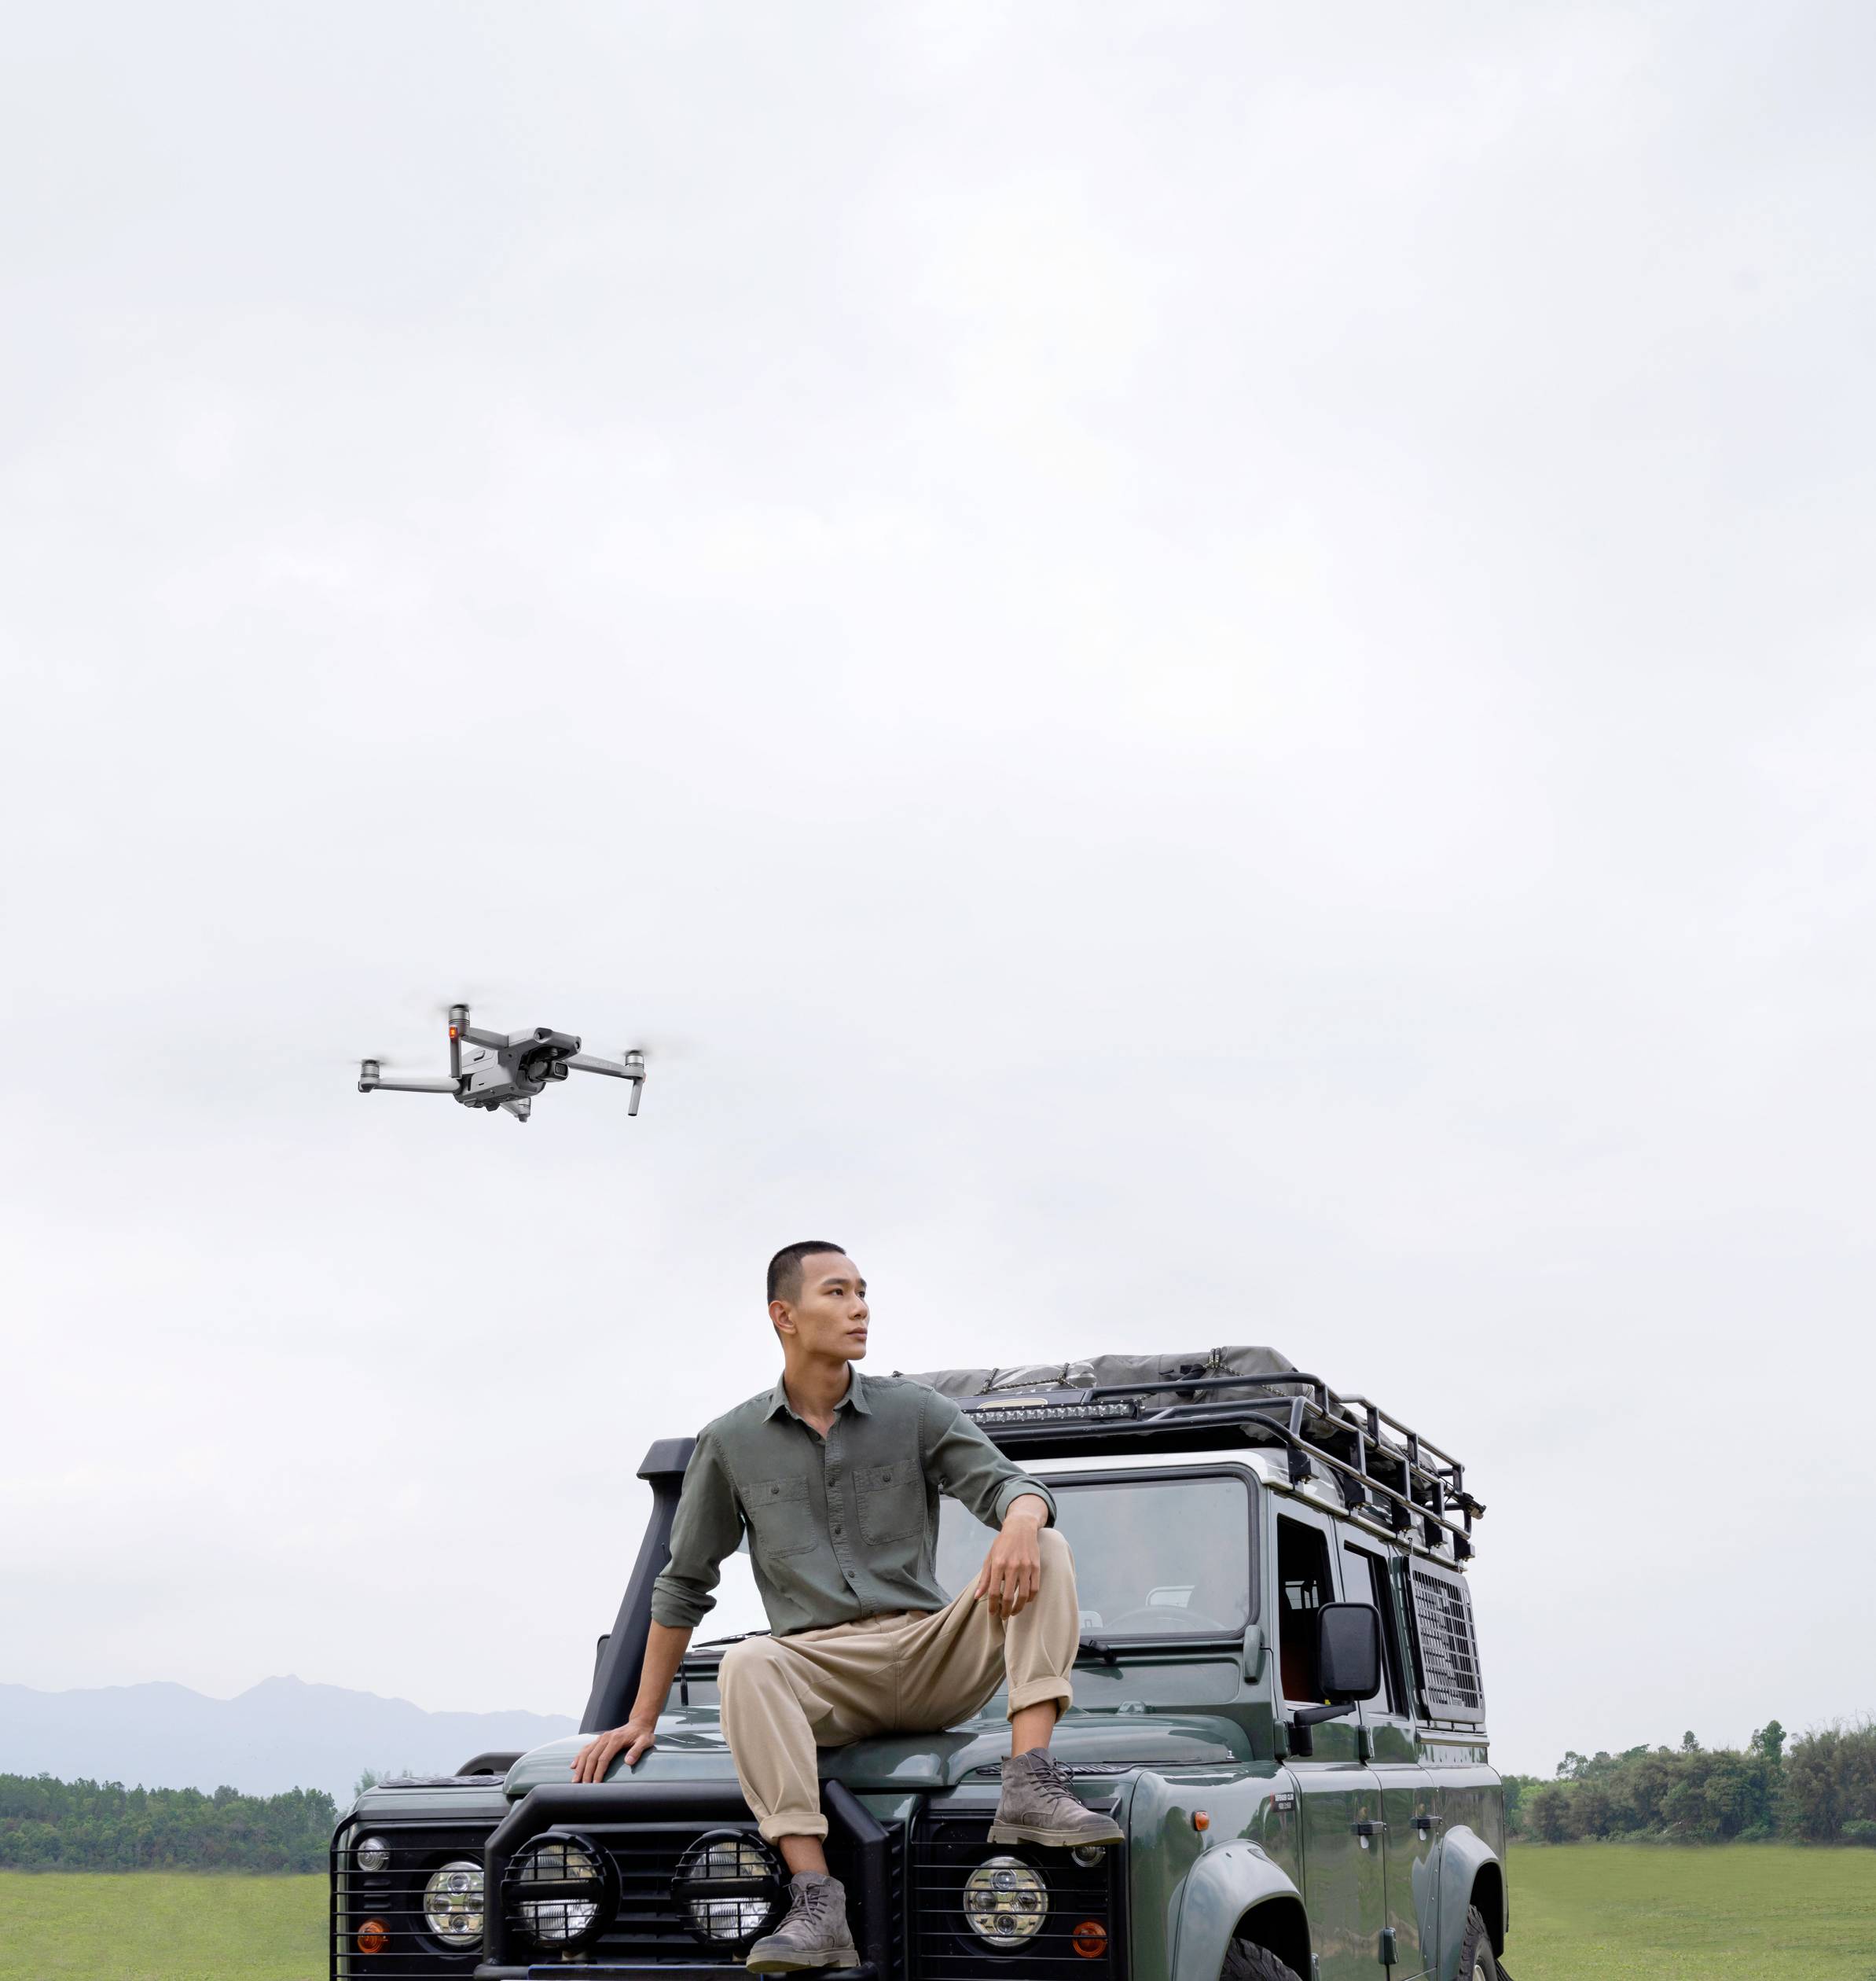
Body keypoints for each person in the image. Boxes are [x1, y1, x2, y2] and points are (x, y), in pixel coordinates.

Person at [571, 1240, 1120, 1973]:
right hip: (822, 1672)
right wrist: (641, 1718)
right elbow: (683, 1584)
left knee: (1045, 1546)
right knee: (748, 1660)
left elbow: (1008, 1486)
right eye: (836, 1293)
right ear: (784, 1315)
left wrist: (1020, 1521)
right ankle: (815, 1899)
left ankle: (1029, 1784)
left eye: (863, 1292)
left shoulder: (915, 1411)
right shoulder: (729, 1442)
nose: (859, 1307)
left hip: (931, 1655)